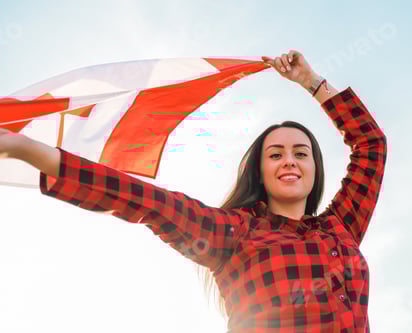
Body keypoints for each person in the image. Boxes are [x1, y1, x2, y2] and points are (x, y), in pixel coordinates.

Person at [0, 49, 387, 333]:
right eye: (275, 154)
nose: (289, 161)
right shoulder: (233, 232)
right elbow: (140, 200)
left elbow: (371, 145)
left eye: (301, 153)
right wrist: (26, 149)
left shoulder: (342, 227)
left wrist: (312, 82)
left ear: (315, 170)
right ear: (259, 171)